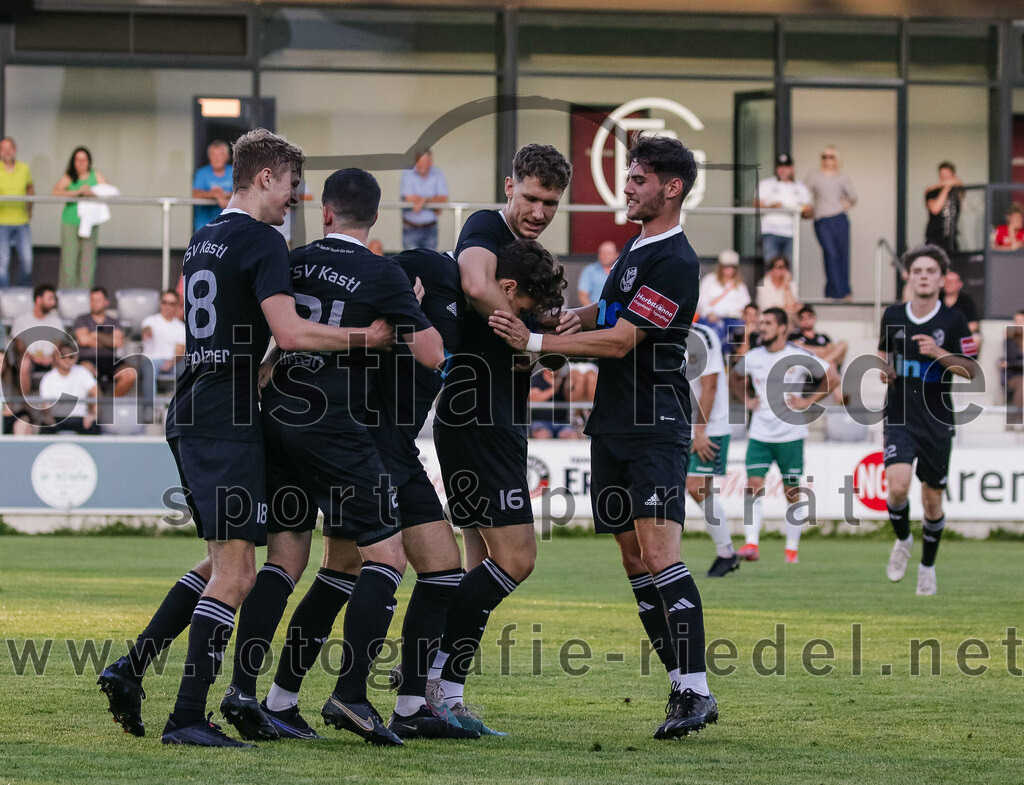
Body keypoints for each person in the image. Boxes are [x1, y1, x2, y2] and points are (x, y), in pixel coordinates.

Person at [96, 129, 394, 748]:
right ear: (265, 178)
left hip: (206, 404)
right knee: (235, 574)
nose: (295, 199)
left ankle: (131, 666)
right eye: (290, 186)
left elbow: (247, 335)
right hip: (223, 417)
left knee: (230, 559)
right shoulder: (262, 238)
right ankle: (185, 717)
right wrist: (370, 337)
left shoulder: (203, 237)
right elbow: (287, 333)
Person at [490, 135, 716, 739]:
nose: (627, 187)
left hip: (654, 425)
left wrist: (537, 342)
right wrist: (573, 317)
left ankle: (697, 690)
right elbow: (610, 316)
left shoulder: (675, 258)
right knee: (634, 558)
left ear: (670, 188)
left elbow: (623, 341)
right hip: (614, 423)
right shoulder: (639, 247)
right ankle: (680, 689)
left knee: (661, 553)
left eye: (638, 178)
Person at [218, 168, 447, 747]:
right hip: (335, 426)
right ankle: (350, 694)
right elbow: (431, 353)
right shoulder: (382, 270)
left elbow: (267, 328)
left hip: (275, 417)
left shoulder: (291, 260)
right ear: (374, 218)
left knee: (287, 560)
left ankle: (252, 694)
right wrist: (406, 314)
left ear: (324, 211)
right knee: (386, 558)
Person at [427, 143, 572, 736]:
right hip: (478, 419)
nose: (539, 210)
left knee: (481, 563)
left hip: (486, 417)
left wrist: (536, 344)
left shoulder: (532, 256)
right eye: (532, 197)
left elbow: (546, 354)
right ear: (510, 185)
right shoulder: (484, 226)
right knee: (518, 560)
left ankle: (444, 694)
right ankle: (424, 677)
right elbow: (474, 281)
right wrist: (528, 338)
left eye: (551, 203)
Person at [879, 244, 979, 596]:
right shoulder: (893, 314)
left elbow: (970, 370)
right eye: (917, 271)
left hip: (937, 420)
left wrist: (938, 352)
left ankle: (927, 566)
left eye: (930, 271)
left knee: (932, 501)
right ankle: (904, 541)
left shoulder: (953, 321)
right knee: (897, 487)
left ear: (942, 278)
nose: (923, 276)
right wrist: (884, 370)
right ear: (909, 276)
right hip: (900, 416)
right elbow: (882, 353)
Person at [730, 307, 837, 564]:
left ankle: (791, 551)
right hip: (759, 433)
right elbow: (734, 378)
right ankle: (752, 544)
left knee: (792, 491)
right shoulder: (753, 356)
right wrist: (746, 399)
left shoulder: (797, 355)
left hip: (790, 433)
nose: (761, 327)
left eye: (767, 323)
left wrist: (807, 401)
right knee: (753, 486)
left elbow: (832, 376)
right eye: (761, 323)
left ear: (782, 329)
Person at [686, 320, 738, 578]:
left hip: (708, 426)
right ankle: (726, 552)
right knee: (683, 488)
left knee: (695, 487)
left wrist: (700, 430)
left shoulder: (703, 336)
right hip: (677, 424)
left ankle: (726, 551)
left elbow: (711, 386)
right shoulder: (659, 330)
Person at [51, 146, 107, 289]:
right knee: (69, 261)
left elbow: (108, 191)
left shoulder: (96, 175)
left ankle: (85, 294)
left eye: (84, 160)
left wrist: (93, 193)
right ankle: (67, 294)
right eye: (78, 160)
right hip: (70, 222)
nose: (81, 163)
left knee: (88, 262)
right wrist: (76, 192)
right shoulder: (69, 176)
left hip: (90, 223)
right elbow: (55, 192)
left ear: (89, 161)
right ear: (73, 162)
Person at [806, 145, 856, 301]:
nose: (827, 160)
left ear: (837, 159)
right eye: (824, 156)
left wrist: (847, 203)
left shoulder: (843, 177)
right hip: (822, 220)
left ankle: (841, 291)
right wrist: (808, 208)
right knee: (831, 254)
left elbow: (853, 196)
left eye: (831, 157)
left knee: (842, 255)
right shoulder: (814, 176)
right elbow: (802, 192)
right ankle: (837, 293)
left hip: (839, 219)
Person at [73, 286, 136, 397]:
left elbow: (118, 343)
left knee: (130, 374)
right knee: (84, 372)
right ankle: (96, 408)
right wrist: (108, 339)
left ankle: (110, 405)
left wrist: (94, 334)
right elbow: (83, 340)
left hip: (110, 359)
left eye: (98, 300)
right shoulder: (82, 319)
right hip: (88, 358)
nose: (95, 303)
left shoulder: (114, 321)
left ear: (106, 302)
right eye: (92, 300)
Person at [755, 153, 811, 263]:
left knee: (789, 266)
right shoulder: (767, 184)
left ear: (791, 168)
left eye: (786, 167)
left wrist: (804, 210)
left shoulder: (800, 187)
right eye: (780, 167)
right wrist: (772, 206)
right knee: (771, 266)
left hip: (791, 233)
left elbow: (808, 211)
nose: (782, 170)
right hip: (770, 231)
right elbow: (756, 204)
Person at [11, 283, 64, 395]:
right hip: (29, 358)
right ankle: (25, 407)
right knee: (24, 363)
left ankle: (53, 406)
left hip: (50, 359)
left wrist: (51, 357)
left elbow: (58, 346)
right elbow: (19, 347)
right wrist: (33, 357)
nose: (53, 303)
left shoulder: (56, 321)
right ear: (39, 299)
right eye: (50, 299)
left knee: (61, 362)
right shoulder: (21, 320)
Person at [37, 340, 100, 434]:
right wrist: (48, 417)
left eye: (71, 356)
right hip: (57, 418)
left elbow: (96, 392)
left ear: (76, 358)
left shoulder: (82, 372)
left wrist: (92, 415)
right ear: (56, 357)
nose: (67, 359)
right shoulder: (48, 378)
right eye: (63, 356)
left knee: (94, 428)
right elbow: (45, 404)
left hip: (80, 417)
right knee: (45, 429)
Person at [697, 249, 751, 351]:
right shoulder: (710, 279)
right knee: (719, 328)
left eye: (732, 267)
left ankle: (734, 361)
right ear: (721, 267)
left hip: (734, 319)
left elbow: (746, 303)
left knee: (742, 329)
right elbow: (701, 300)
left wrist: (745, 315)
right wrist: (709, 313)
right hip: (713, 318)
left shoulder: (739, 284)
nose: (729, 270)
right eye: (726, 267)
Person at [0, 136, 35, 288]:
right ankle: (3, 296)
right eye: (3, 148)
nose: (7, 152)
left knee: (27, 260)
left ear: (15, 150)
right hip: (2, 222)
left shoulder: (24, 168)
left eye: (10, 148)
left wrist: (29, 210)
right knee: (2, 262)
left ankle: (22, 293)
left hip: (21, 221)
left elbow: (30, 189)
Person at [400, 148, 448, 250]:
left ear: (430, 162)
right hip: (410, 228)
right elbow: (408, 198)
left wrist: (423, 201)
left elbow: (443, 198)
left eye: (424, 162)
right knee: (410, 264)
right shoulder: (408, 173)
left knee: (430, 264)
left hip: (431, 229)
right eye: (419, 161)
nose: (421, 165)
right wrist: (431, 201)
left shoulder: (437, 173)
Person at [788, 304, 849, 381]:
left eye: (809, 317)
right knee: (831, 365)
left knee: (842, 344)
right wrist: (822, 350)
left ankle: (824, 364)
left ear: (814, 318)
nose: (806, 321)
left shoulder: (823, 336)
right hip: (809, 368)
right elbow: (797, 352)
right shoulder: (795, 336)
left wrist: (805, 347)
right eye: (803, 318)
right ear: (799, 321)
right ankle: (824, 364)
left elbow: (830, 351)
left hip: (825, 366)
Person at [140, 290, 186, 375]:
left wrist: (170, 363)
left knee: (186, 370)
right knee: (149, 370)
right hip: (151, 360)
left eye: (171, 304)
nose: (167, 306)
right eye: (164, 302)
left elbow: (179, 351)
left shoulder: (181, 327)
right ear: (160, 304)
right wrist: (147, 333)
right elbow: (147, 329)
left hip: (173, 362)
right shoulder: (150, 320)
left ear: (177, 306)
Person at [192, 140, 233, 233]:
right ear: (209, 157)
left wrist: (224, 195)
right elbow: (194, 193)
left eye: (220, 155)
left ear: (226, 157)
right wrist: (215, 194)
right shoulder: (202, 173)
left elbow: (244, 192)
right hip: (204, 227)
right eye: (213, 155)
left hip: (229, 226)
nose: (216, 158)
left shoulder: (234, 172)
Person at [529, 365, 579, 439]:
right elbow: (533, 398)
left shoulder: (565, 381)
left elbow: (573, 399)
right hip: (540, 422)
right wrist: (554, 389)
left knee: (572, 436)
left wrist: (573, 382)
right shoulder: (536, 379)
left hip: (562, 423)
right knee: (542, 435)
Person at [924, 161, 963, 253]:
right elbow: (935, 209)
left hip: (951, 238)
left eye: (947, 177)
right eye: (942, 177)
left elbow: (959, 182)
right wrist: (945, 189)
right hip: (934, 238)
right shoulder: (932, 192)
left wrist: (950, 184)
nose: (945, 180)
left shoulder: (956, 192)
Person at [756, 254, 801, 321]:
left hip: (787, 319)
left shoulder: (791, 284)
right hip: (768, 319)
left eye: (784, 267)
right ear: (771, 269)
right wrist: (787, 308)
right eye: (779, 267)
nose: (782, 270)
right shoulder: (763, 284)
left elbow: (793, 307)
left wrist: (787, 287)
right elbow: (767, 308)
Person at [577, 240, 618, 306]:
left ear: (616, 255)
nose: (605, 256)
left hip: (618, 313)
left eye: (608, 253)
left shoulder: (621, 271)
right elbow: (583, 295)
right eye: (602, 253)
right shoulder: (589, 270)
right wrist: (593, 312)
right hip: (595, 311)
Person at [941, 270, 980, 336]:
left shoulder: (966, 300)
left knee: (975, 339)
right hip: (940, 334)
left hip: (961, 334)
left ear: (959, 284)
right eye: (946, 281)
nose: (948, 284)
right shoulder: (937, 299)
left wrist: (954, 331)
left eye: (952, 282)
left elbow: (974, 325)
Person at [1002, 310, 1024, 425]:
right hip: (1013, 376)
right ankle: (1017, 420)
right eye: (1016, 321)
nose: (1018, 324)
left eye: (1021, 321)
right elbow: (1010, 359)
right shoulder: (1010, 340)